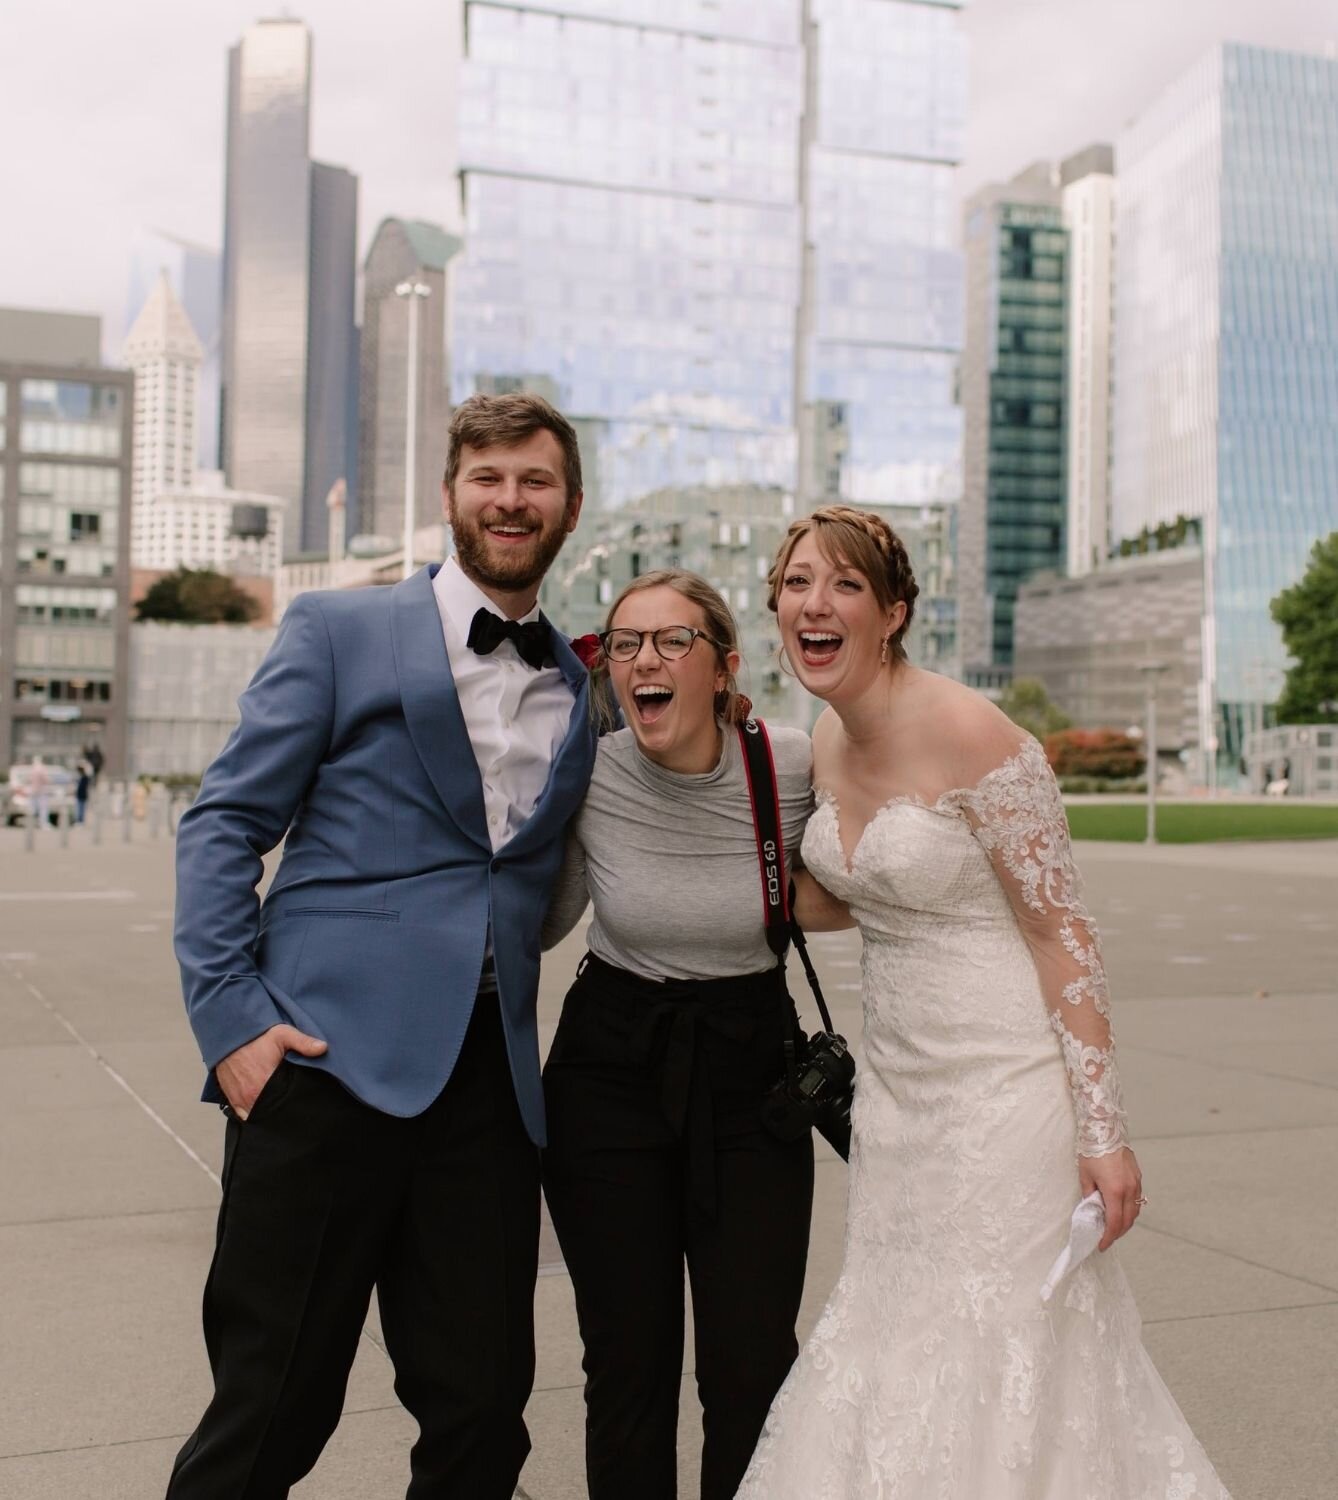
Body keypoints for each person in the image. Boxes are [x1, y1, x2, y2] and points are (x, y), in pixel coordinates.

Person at [736, 505, 1231, 1499]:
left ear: (893, 612)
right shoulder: (826, 741)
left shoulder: (975, 731)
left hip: (1008, 1092)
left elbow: (1063, 935)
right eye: (796, 583)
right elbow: (850, 893)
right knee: (899, 1322)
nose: (814, 604)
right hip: (899, 1097)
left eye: (843, 585)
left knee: (1004, 1338)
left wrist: (1104, 1129)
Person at [167, 392, 597, 1499]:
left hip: (490, 1099)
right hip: (322, 1066)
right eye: (489, 477)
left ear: (570, 505)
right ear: (450, 496)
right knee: (271, 1411)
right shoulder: (337, 628)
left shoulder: (581, 683)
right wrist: (234, 1026)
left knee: (483, 1417)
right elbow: (224, 824)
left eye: (534, 480)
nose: (511, 499)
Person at [541, 570, 818, 1500]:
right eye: (624, 644)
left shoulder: (792, 763)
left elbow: (873, 871)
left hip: (754, 1071)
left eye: (670, 642)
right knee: (627, 1362)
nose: (642, 662)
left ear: (724, 666)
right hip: (611, 1067)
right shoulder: (587, 770)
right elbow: (546, 919)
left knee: (750, 1365)